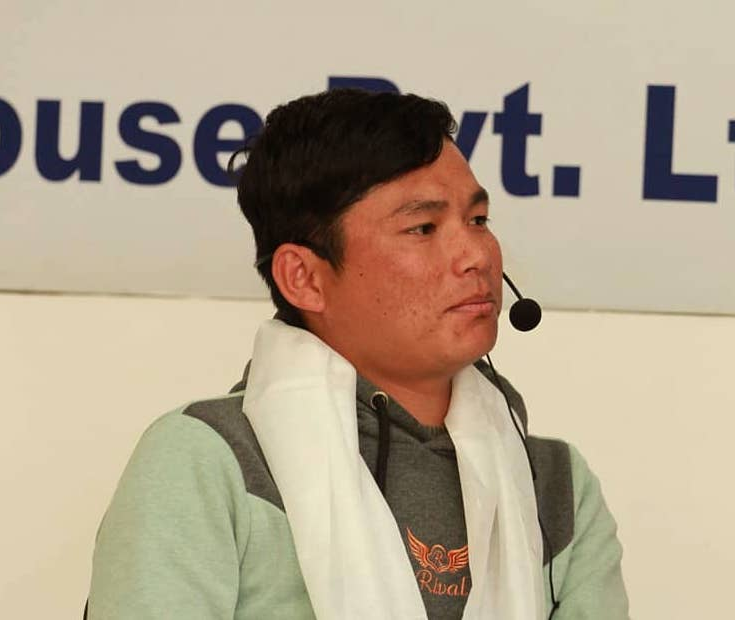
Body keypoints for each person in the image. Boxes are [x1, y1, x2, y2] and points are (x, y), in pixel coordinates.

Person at [87, 88, 628, 619]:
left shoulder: (554, 483)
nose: (475, 256)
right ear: (304, 278)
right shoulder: (210, 460)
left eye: (478, 221)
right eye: (423, 227)